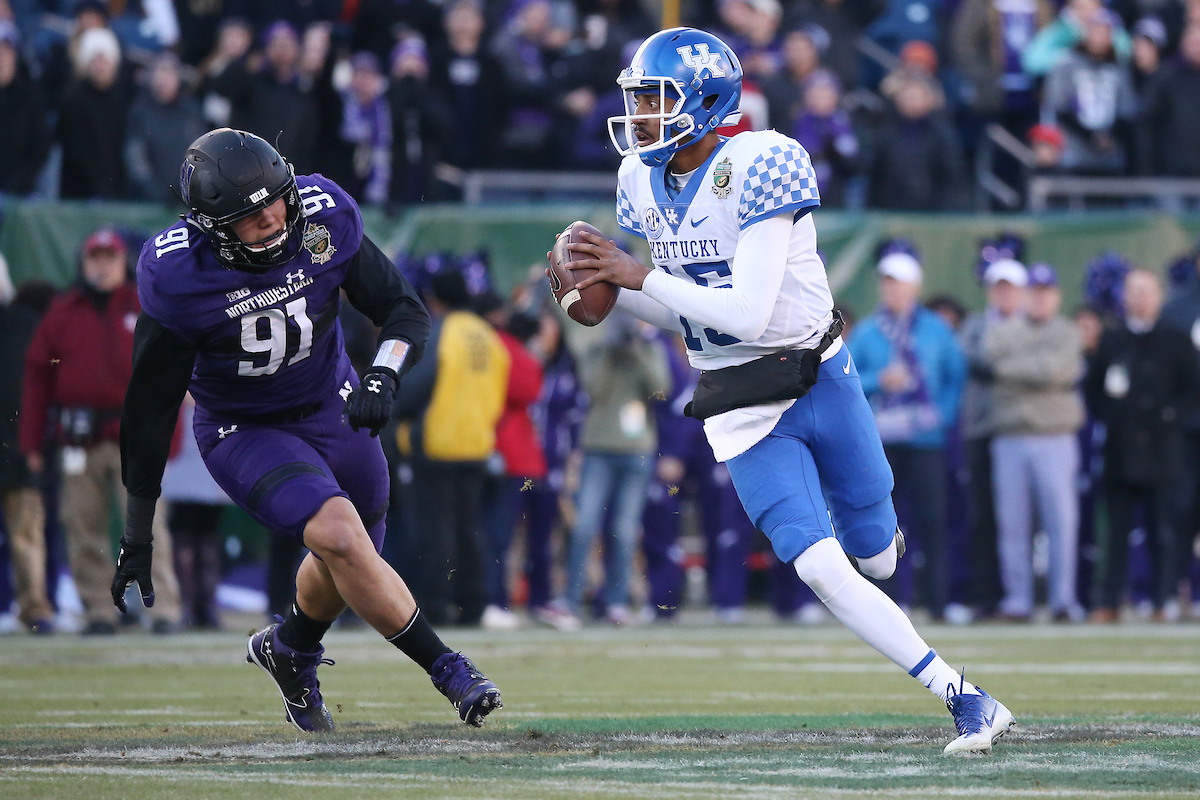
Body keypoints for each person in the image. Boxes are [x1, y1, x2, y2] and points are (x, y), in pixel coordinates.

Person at [569, 27, 1014, 754]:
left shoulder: (763, 159)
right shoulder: (637, 182)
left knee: (876, 557)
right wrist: (612, 294)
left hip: (818, 374)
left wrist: (635, 278)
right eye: (637, 100)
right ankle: (964, 698)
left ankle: (878, 531)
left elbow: (746, 310)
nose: (641, 115)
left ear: (705, 101)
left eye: (655, 99)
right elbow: (678, 306)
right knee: (819, 566)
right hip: (739, 405)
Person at [112, 128, 502, 733]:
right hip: (247, 428)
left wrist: (383, 377)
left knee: (349, 555)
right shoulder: (178, 275)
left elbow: (402, 309)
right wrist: (137, 534)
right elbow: (149, 410)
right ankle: (448, 668)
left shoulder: (321, 216)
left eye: (275, 201)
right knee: (342, 538)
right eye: (249, 215)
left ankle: (290, 649)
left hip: (334, 404)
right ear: (214, 227)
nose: (271, 219)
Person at [20, 229, 182, 636]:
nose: (102, 266)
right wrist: (31, 440)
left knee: (147, 526)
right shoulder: (63, 310)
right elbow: (38, 377)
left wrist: (171, 436)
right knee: (83, 525)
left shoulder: (145, 304)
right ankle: (97, 609)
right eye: (95, 258)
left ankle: (161, 608)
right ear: (84, 262)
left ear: (122, 262)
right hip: (80, 436)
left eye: (109, 258)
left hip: (137, 435)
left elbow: (169, 374)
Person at [849, 252, 966, 620]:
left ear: (914, 287)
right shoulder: (868, 330)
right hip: (882, 441)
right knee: (883, 524)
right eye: (886, 282)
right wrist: (878, 380)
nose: (891, 289)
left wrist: (941, 417)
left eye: (898, 282)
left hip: (925, 440)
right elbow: (848, 381)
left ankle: (937, 603)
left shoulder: (935, 328)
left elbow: (954, 376)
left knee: (932, 520)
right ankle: (886, 604)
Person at [394, 270, 509, 627]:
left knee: (435, 533)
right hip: (477, 444)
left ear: (435, 299)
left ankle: (437, 606)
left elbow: (413, 388)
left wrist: (398, 412)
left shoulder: (440, 332)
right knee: (470, 531)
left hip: (437, 443)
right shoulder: (488, 336)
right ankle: (473, 604)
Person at [1084, 269, 1200, 621]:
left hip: (1164, 450)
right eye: (1133, 291)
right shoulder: (1113, 339)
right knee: (1115, 532)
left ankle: (1161, 599)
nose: (1140, 298)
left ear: (1159, 296)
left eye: (1146, 292)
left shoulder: (1175, 339)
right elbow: (1093, 390)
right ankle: (1110, 601)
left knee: (1163, 529)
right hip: (1120, 450)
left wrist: (1169, 417)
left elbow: (1192, 388)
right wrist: (1113, 418)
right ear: (1124, 297)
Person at [984, 263, 1085, 622]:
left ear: (1056, 296)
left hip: (1055, 436)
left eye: (1046, 292)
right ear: (1026, 295)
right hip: (1011, 436)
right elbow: (991, 360)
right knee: (1013, 525)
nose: (1040, 298)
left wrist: (1016, 369)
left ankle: (1062, 600)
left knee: (1062, 522)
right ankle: (1018, 600)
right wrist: (1036, 370)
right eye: (1035, 291)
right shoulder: (1002, 330)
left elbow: (1056, 371)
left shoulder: (1068, 332)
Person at [558, 311, 670, 626]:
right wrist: (609, 350)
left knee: (623, 530)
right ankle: (571, 600)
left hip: (637, 450)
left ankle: (616, 602)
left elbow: (660, 389)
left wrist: (636, 349)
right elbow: (594, 390)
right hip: (598, 448)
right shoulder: (597, 352)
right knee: (584, 526)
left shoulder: (650, 350)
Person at [959, 256, 1028, 619]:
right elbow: (975, 360)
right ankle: (986, 595)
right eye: (998, 287)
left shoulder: (1033, 325)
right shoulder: (975, 325)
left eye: (1010, 287)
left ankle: (1024, 595)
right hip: (982, 430)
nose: (1004, 294)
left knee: (1020, 519)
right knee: (983, 516)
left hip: (1020, 429)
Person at [0, 258, 53, 633]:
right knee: (26, 533)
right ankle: (34, 609)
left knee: (25, 533)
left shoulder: (24, 325)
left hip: (15, 447)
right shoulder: (28, 325)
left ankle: (34, 609)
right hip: (17, 445)